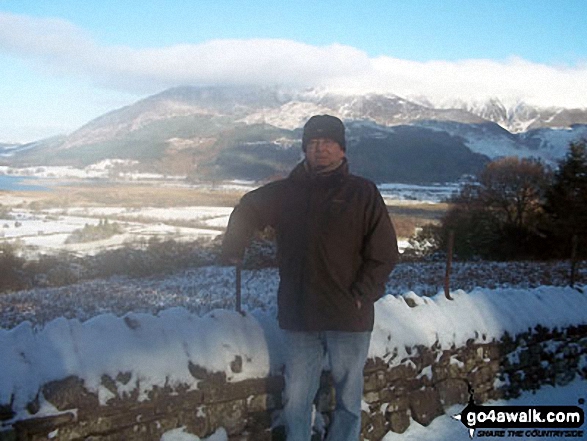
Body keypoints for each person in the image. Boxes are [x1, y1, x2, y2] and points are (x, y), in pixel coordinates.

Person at [221, 114, 399, 441]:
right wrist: (234, 246)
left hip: (349, 312)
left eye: (328, 143)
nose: (320, 150)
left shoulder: (363, 192)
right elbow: (247, 208)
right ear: (304, 149)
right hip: (300, 312)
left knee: (348, 399)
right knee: (296, 399)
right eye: (313, 143)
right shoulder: (286, 193)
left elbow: (385, 252)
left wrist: (363, 293)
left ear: (342, 150)